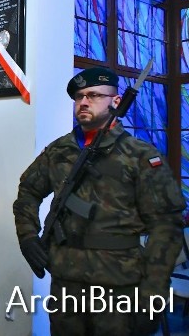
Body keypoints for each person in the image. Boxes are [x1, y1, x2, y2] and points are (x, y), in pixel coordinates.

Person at [13, 67, 186, 336]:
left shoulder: (140, 155)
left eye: (93, 95)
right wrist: (27, 237)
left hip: (119, 284)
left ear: (116, 101)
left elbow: (166, 226)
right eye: (79, 96)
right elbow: (28, 191)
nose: (83, 102)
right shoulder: (59, 151)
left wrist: (153, 293)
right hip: (66, 280)